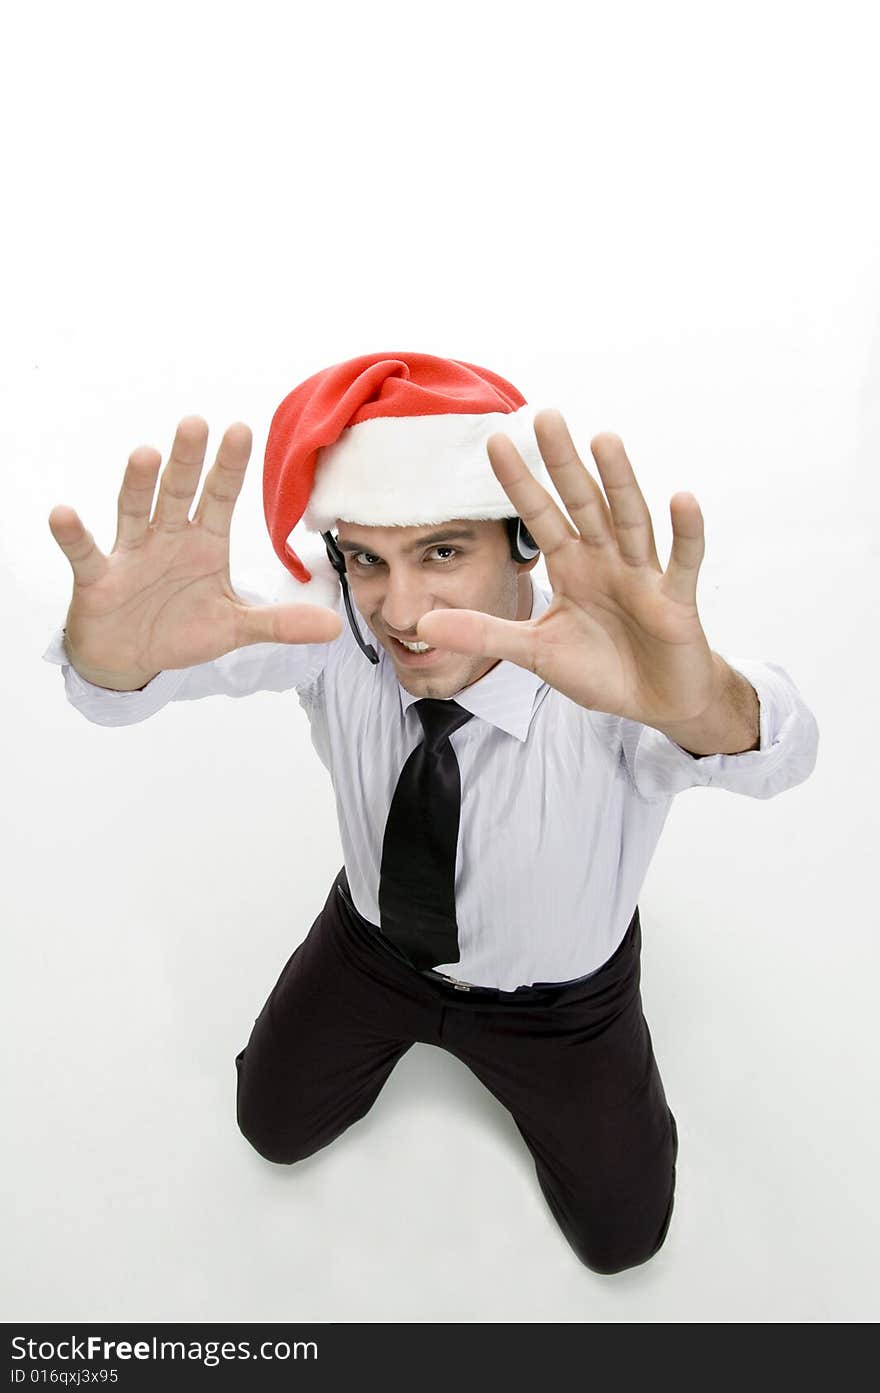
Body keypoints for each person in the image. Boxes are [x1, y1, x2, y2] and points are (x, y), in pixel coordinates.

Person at [42, 350, 820, 1274]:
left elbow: (782, 754)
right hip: (372, 951)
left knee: (626, 1243)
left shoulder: (615, 679)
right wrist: (114, 660)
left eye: (443, 552)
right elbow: (173, 662)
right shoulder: (335, 631)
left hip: (561, 1005)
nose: (401, 611)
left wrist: (702, 705)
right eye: (368, 559)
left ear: (521, 545)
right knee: (269, 1127)